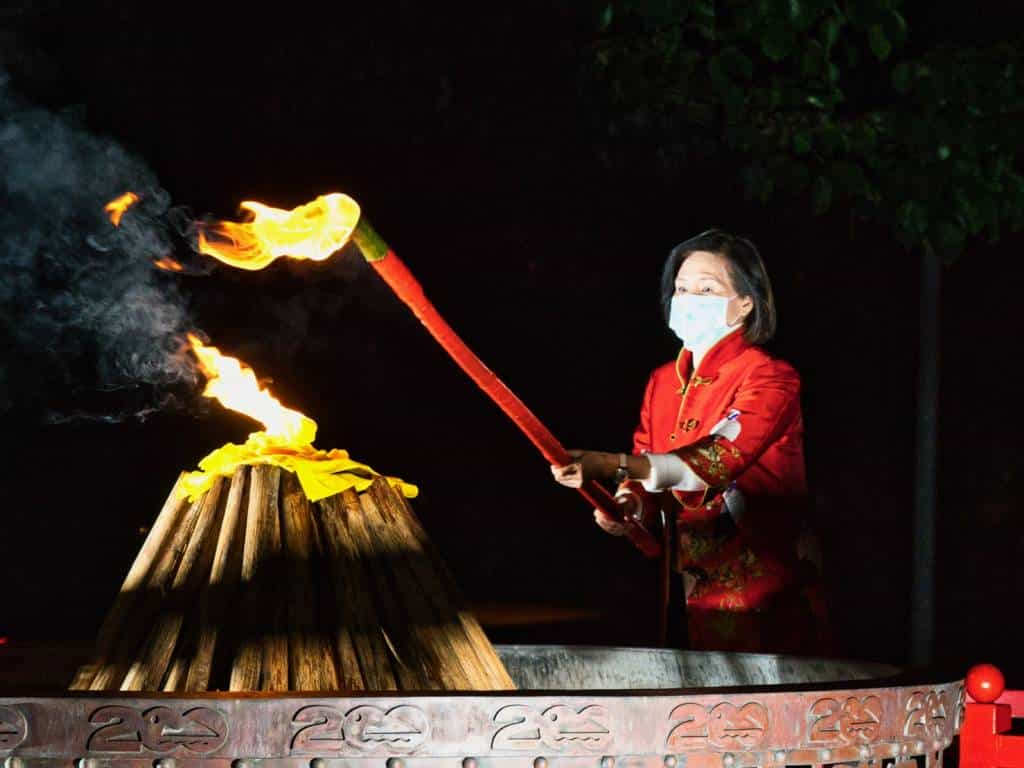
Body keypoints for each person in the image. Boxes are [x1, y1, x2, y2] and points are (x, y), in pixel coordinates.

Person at [552, 229, 827, 654]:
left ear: (746, 302)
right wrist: (628, 506)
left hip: (765, 591)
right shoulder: (663, 381)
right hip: (687, 588)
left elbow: (718, 458)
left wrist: (611, 464)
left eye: (706, 289)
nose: (688, 299)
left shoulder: (770, 376)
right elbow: (646, 463)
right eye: (681, 288)